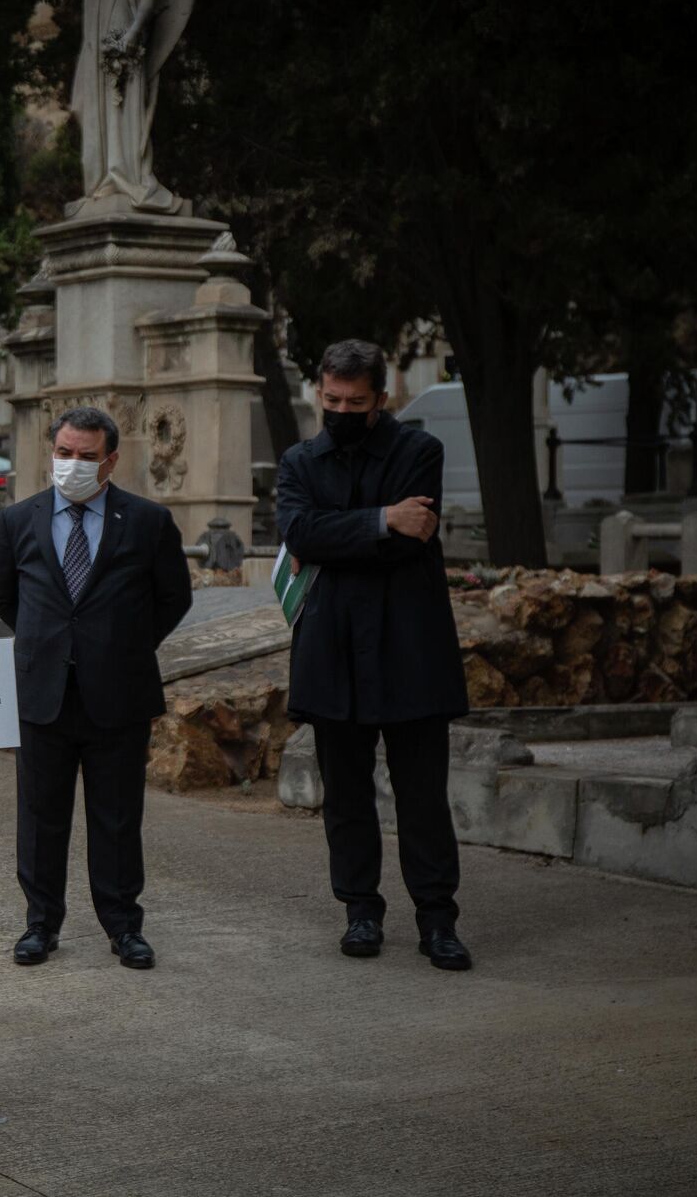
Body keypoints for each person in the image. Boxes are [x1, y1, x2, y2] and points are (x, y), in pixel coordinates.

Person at [275, 340, 473, 970]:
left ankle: (437, 921)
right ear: (318, 392)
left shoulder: (420, 451)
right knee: (346, 797)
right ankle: (360, 912)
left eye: (354, 401)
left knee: (422, 795)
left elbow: (412, 540)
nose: (340, 409)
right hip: (332, 650)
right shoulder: (300, 461)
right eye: (330, 398)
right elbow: (299, 533)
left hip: (410, 646)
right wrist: (381, 518)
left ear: (379, 399)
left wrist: (348, 534)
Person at [0, 406, 191, 971]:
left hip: (119, 695)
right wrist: (51, 648)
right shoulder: (18, 521)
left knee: (118, 818)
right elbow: (6, 599)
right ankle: (40, 926)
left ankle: (124, 927)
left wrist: (122, 646)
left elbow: (173, 598)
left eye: (86, 457)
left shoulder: (148, 522)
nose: (72, 465)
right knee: (40, 818)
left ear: (111, 460)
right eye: (64, 453)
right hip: (43, 695)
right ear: (50, 452)